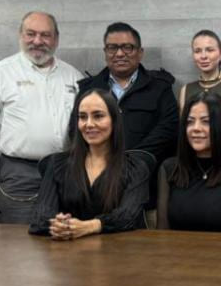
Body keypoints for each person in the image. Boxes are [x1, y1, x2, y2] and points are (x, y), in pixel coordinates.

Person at [0, 11, 83, 223]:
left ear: (56, 39)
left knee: (64, 238)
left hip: (65, 174)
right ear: (20, 35)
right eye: (31, 34)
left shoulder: (73, 77)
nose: (37, 41)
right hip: (19, 177)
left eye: (45, 35)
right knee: (16, 240)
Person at [77, 22, 179, 221]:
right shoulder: (88, 89)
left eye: (127, 47)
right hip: (99, 194)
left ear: (140, 53)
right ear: (105, 52)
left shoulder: (160, 87)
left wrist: (129, 161)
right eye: (112, 47)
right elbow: (77, 133)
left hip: (147, 194)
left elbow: (168, 131)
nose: (120, 53)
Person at [29, 89, 149, 239]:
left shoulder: (136, 167)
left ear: (114, 120)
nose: (89, 124)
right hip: (67, 248)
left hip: (118, 249)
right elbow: (40, 217)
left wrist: (89, 226)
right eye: (82, 117)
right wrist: (60, 225)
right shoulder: (57, 164)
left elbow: (128, 216)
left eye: (98, 116)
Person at [157, 92, 221, 233]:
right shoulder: (169, 168)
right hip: (177, 247)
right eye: (190, 122)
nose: (196, 128)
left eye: (206, 121)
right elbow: (162, 233)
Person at [178, 30, 221, 154]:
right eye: (198, 51)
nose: (203, 56)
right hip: (195, 162)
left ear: (220, 54)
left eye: (210, 50)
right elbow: (184, 134)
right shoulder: (186, 90)